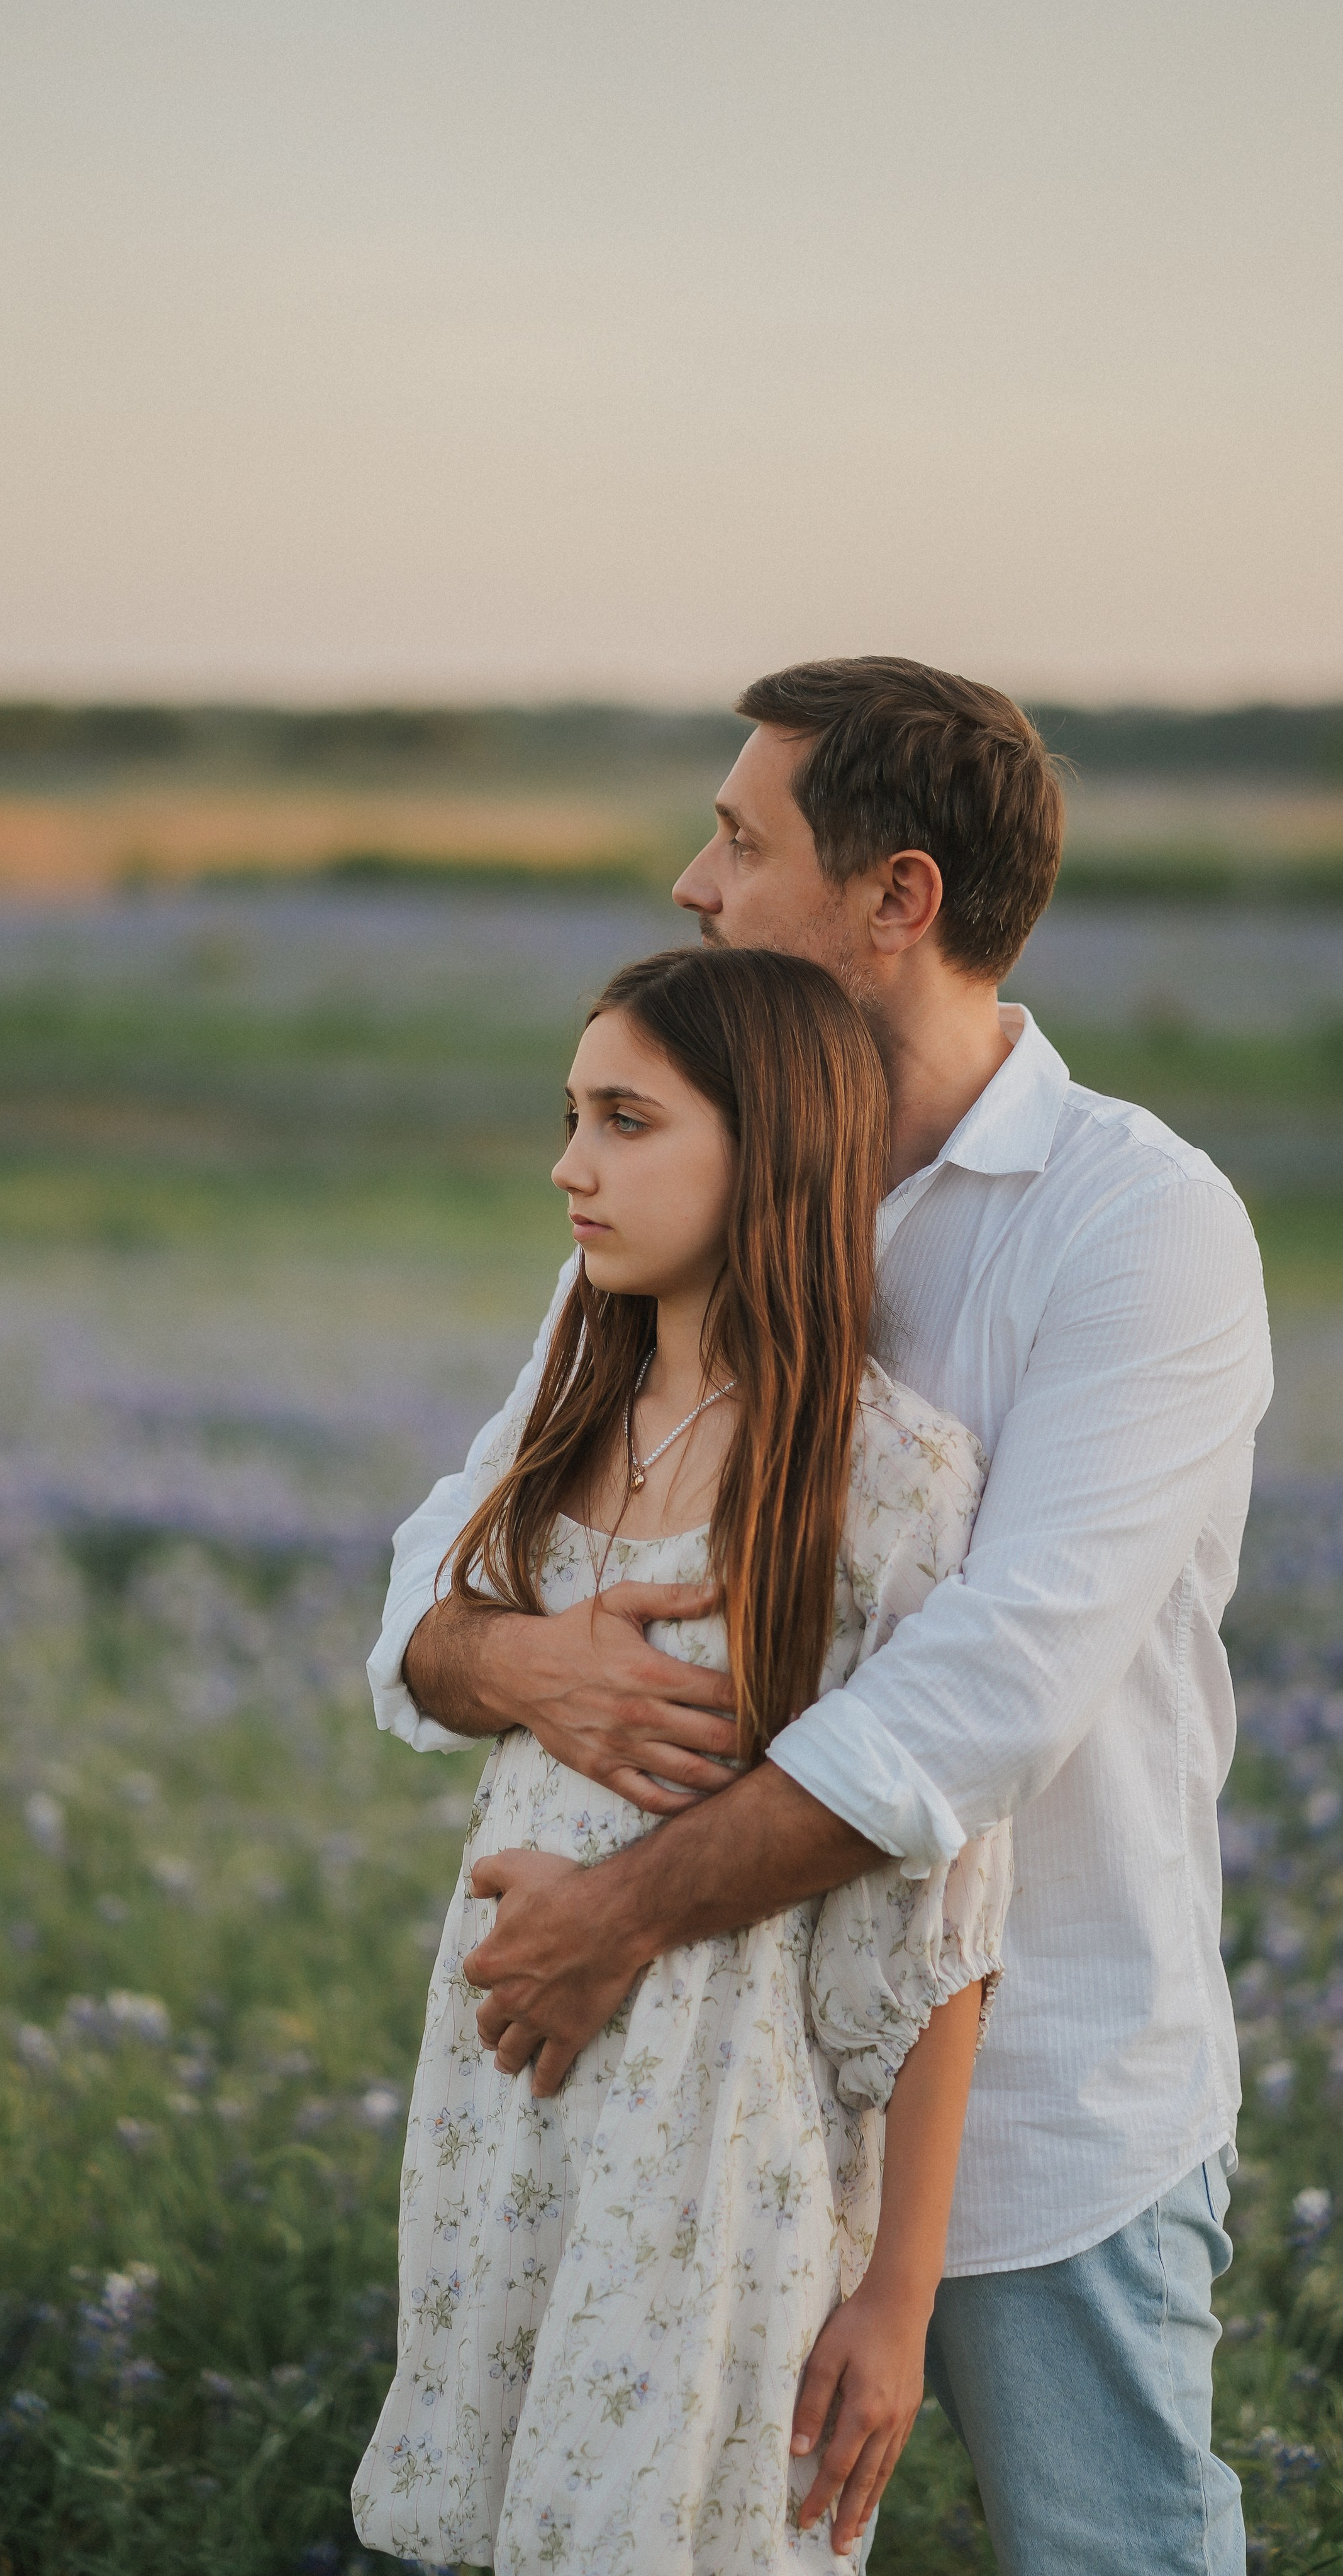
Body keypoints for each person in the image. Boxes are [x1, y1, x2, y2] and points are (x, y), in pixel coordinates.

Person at [372, 658, 1273, 2576]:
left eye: (738, 836)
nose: (693, 885)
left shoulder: (1136, 1223)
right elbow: (442, 1566)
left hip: (1032, 2097)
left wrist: (618, 1911)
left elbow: (991, 1693)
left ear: (897, 899)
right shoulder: (691, 1183)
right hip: (682, 2119)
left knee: (1111, 2550)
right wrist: (513, 1658)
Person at [352, 947, 1012, 2572]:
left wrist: (897, 2291)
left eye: (626, 1121)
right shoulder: (562, 1426)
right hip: (504, 2104)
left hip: (714, 2134)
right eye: (569, 1116)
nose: (569, 1166)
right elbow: (422, 1643)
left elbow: (944, 1917)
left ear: (770, 1147)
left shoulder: (884, 1472)